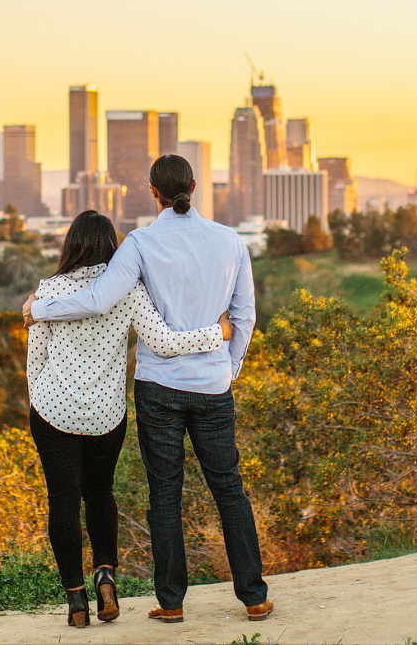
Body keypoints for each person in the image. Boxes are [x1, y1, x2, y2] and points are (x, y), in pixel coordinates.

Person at [23, 155, 272, 624]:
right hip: (212, 386)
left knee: (165, 494)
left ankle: (171, 603)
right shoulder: (230, 241)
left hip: (158, 388)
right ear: (193, 187)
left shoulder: (139, 244)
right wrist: (227, 368)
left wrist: (41, 307)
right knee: (229, 489)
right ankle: (254, 596)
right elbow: (244, 318)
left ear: (152, 192)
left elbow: (97, 298)